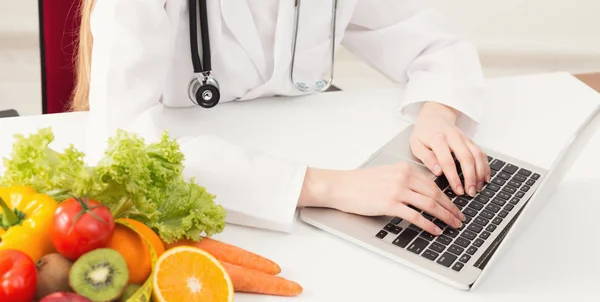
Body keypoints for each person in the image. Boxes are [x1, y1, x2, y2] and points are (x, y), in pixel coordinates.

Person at [71, 0, 490, 236]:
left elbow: (436, 44)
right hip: (219, 211)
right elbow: (123, 153)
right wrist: (329, 186)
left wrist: (438, 111)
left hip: (301, 160)